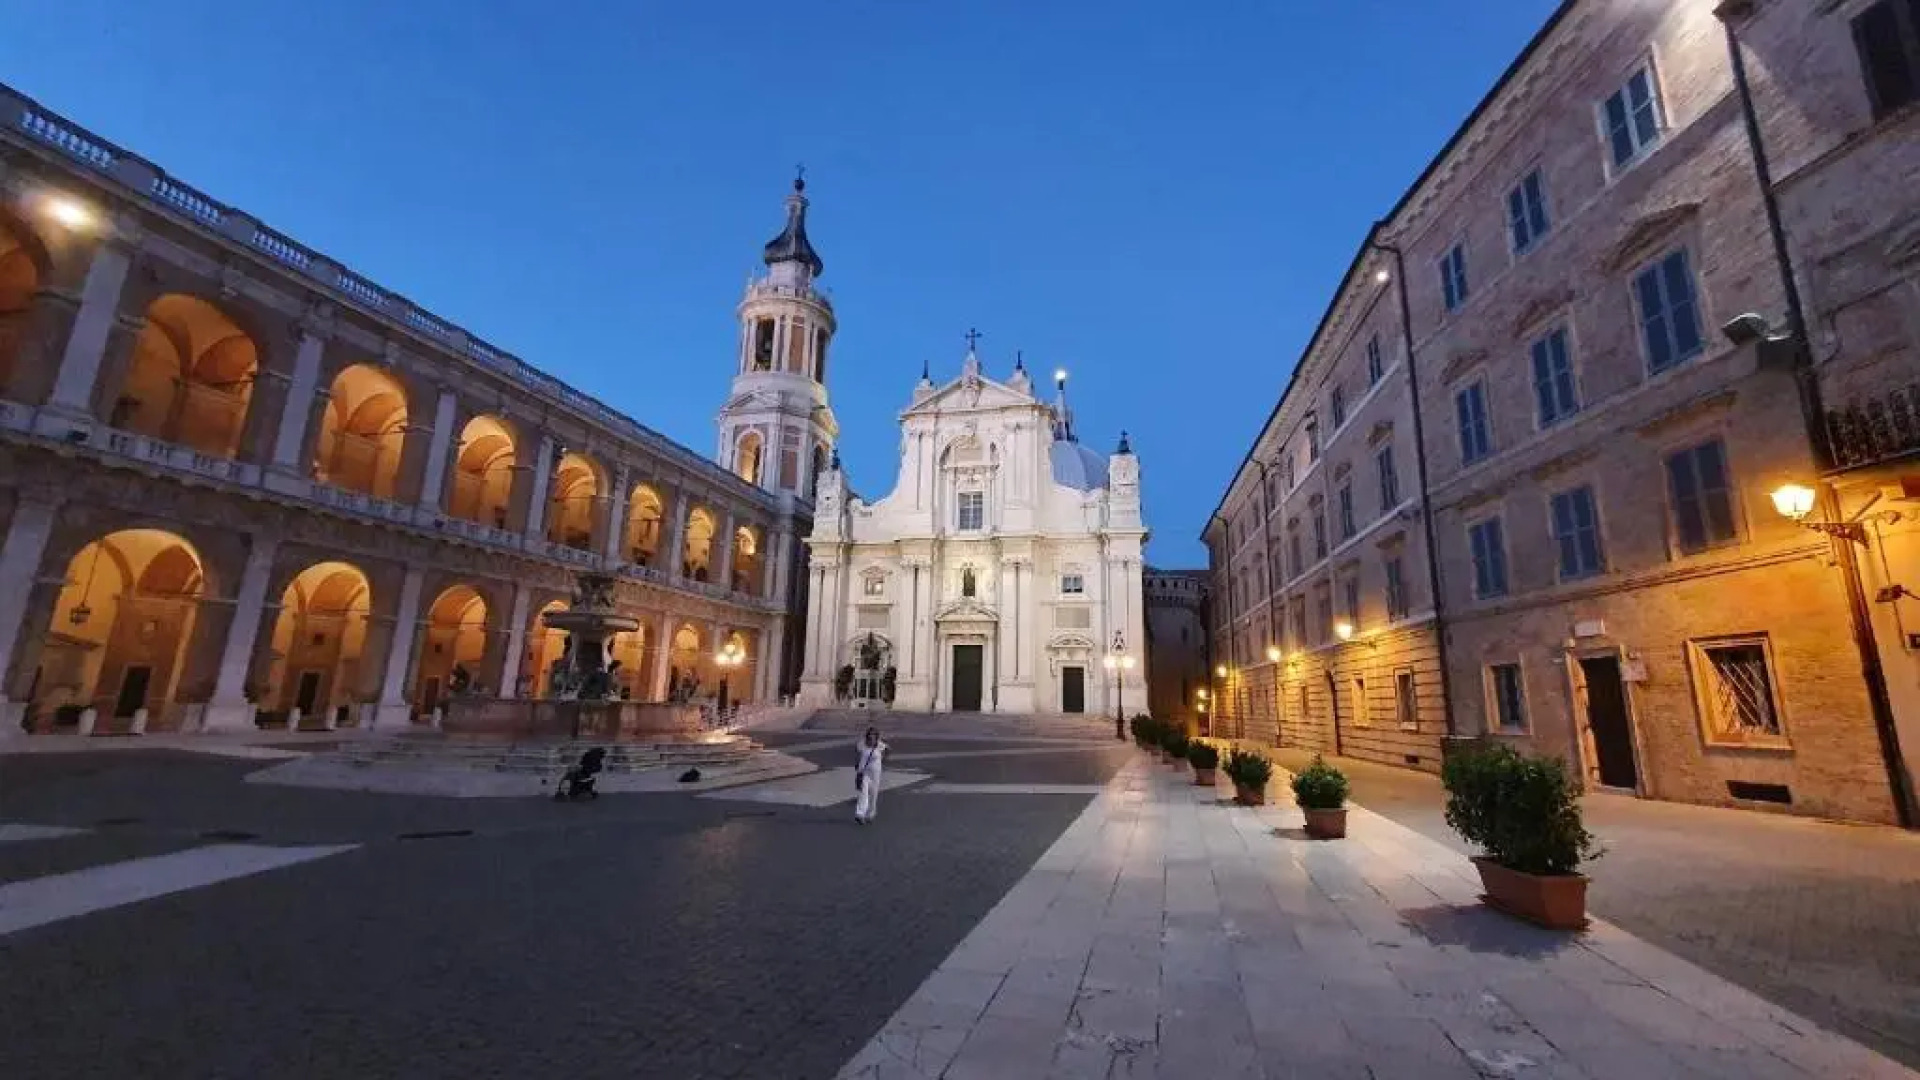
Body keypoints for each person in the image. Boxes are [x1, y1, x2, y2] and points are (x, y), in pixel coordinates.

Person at [854, 726, 888, 824]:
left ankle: (870, 814)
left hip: (875, 774)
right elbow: (857, 751)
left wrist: (884, 759)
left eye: (873, 735)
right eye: (869, 735)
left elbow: (888, 749)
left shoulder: (880, 745)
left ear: (876, 737)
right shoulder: (862, 744)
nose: (870, 737)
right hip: (864, 772)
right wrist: (857, 762)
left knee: (873, 794)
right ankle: (860, 814)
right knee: (863, 793)